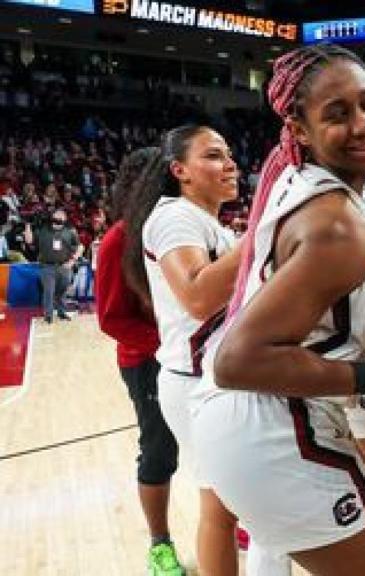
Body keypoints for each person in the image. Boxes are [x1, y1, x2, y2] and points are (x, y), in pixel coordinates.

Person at [192, 44, 365, 575]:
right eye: (338, 114)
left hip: (251, 416)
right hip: (267, 416)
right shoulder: (340, 223)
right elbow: (239, 362)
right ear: (299, 130)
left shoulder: (311, 184)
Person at [122, 124, 254, 576]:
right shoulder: (174, 216)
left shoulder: (206, 222)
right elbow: (198, 295)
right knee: (219, 508)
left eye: (230, 153)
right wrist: (260, 234)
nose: (230, 163)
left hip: (216, 376)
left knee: (234, 506)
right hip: (197, 383)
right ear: (180, 170)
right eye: (214, 155)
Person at [96, 147, 185, 576]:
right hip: (147, 361)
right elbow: (111, 318)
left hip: (189, 356)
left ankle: (232, 517)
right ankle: (159, 543)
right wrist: (168, 342)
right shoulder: (119, 239)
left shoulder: (179, 229)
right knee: (158, 451)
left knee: (215, 442)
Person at [35, 207, 81, 323]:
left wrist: (72, 261)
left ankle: (61, 312)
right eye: (57, 214)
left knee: (62, 291)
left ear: (65, 218)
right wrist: (27, 226)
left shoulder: (70, 231)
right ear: (53, 217)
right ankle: (48, 315)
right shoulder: (44, 229)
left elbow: (80, 246)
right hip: (48, 266)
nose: (59, 217)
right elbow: (30, 240)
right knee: (48, 291)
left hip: (64, 266)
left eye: (62, 215)